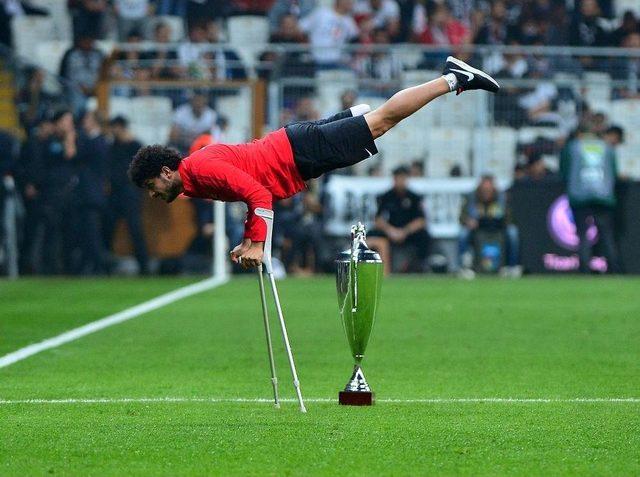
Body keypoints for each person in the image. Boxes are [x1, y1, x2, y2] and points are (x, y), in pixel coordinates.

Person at [129, 56, 500, 269]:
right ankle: (350, 115)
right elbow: (246, 190)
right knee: (375, 120)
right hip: (295, 151)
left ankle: (454, 79)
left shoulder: (199, 170)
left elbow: (257, 192)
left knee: (384, 121)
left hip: (296, 151)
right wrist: (247, 241)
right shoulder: (194, 178)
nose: (152, 195)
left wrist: (259, 245)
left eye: (151, 187)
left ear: (165, 172)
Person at [560, 125, 620, 273]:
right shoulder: (607, 148)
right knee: (607, 235)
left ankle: (584, 270)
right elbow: (614, 172)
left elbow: (564, 170)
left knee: (583, 235)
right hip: (603, 196)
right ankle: (614, 269)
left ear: (580, 133)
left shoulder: (572, 147)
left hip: (579, 196)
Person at [105, 116, 149, 274]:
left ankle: (144, 265)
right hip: (115, 194)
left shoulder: (135, 146)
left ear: (121, 127)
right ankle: (106, 264)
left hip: (130, 193)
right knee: (108, 228)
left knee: (135, 229)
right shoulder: (113, 146)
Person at [367, 165, 430, 274]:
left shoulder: (414, 197)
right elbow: (378, 219)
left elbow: (421, 220)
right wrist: (390, 231)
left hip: (408, 232)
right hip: (390, 231)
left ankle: (420, 267)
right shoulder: (386, 196)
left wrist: (405, 231)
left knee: (424, 236)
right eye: (398, 178)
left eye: (403, 178)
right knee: (371, 234)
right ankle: (373, 267)